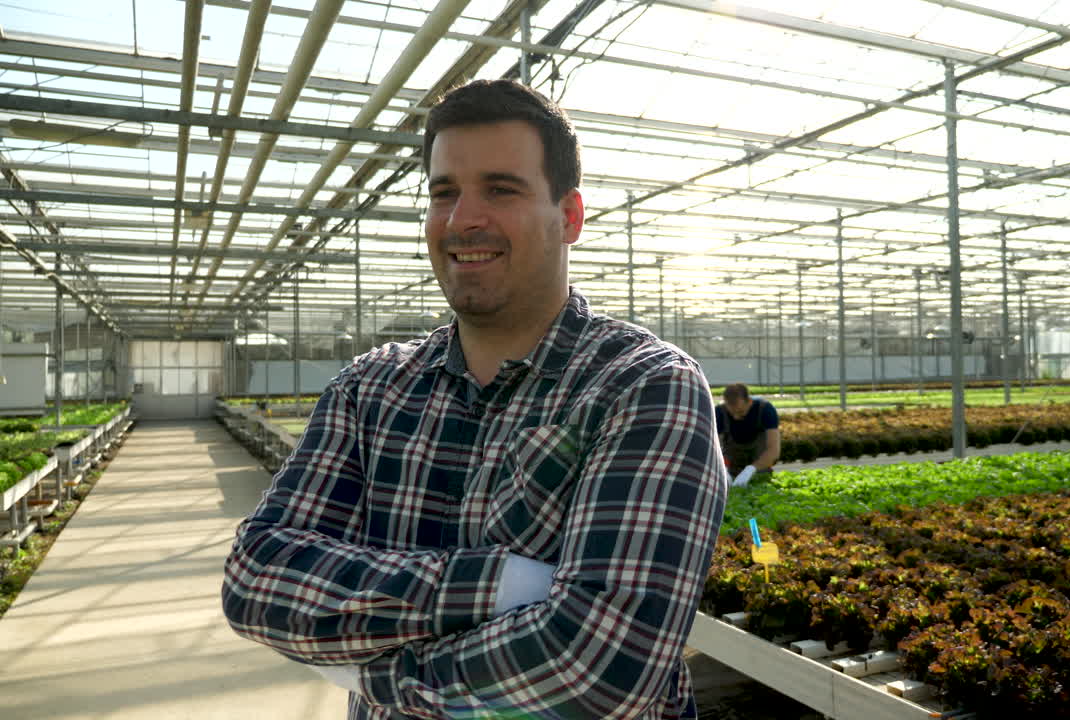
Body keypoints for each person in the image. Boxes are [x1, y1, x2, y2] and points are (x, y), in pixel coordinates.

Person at [222, 79, 728, 720]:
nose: (463, 219)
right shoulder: (369, 390)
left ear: (569, 217)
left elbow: (598, 670)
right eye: (444, 193)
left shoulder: (642, 386)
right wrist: (505, 587)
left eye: (502, 189)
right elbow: (256, 581)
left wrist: (370, 674)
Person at [714, 383, 780, 486]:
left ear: (749, 401)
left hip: (760, 471)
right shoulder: (719, 412)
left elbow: (773, 451)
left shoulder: (765, 410)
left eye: (740, 412)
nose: (735, 417)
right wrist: (723, 470)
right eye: (732, 413)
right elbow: (715, 448)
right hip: (731, 471)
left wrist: (750, 470)